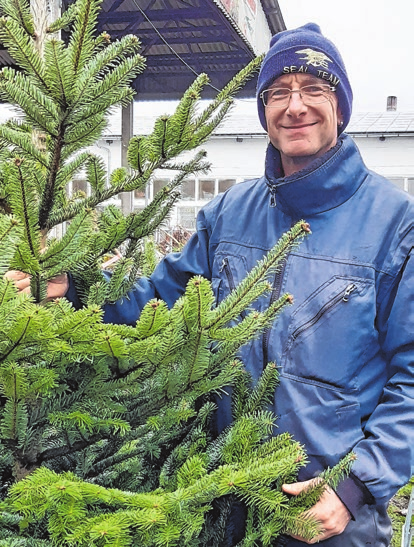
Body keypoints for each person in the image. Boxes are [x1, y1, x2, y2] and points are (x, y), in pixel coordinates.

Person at [7, 23, 414, 546]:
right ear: (264, 110)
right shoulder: (229, 213)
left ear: (340, 106)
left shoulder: (394, 224)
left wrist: (355, 487)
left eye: (314, 89)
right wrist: (79, 286)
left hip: (329, 512)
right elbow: (157, 299)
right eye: (279, 93)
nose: (295, 106)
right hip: (222, 497)